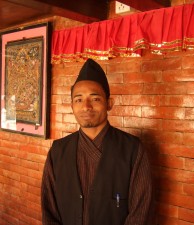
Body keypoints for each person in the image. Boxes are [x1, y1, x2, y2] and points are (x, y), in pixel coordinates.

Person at [41, 58, 152, 225]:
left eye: (95, 99)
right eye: (78, 99)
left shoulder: (132, 149)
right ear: (72, 106)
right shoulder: (58, 150)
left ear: (109, 103)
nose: (86, 106)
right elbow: (49, 209)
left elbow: (141, 212)